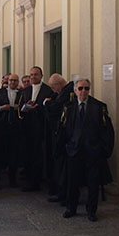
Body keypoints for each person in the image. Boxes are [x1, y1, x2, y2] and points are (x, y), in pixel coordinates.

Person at [59, 78, 114, 222]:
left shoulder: (98, 107)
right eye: (81, 88)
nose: (84, 91)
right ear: (75, 90)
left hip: (92, 151)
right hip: (74, 150)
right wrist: (66, 146)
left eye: (86, 88)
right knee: (72, 181)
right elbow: (63, 129)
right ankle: (71, 207)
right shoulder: (68, 107)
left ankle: (91, 210)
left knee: (93, 182)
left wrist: (102, 149)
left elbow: (106, 131)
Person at [20, 66, 53, 192]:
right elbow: (21, 108)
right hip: (28, 127)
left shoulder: (48, 91)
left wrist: (38, 108)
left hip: (41, 127)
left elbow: (49, 108)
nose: (33, 77)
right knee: (29, 154)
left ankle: (44, 181)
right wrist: (26, 108)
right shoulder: (26, 90)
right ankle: (31, 181)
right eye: (31, 75)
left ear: (41, 75)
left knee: (42, 155)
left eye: (36, 74)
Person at [44, 74, 74, 203]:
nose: (52, 90)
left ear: (58, 85)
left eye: (52, 87)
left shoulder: (67, 93)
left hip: (64, 135)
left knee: (63, 166)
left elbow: (57, 109)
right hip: (61, 134)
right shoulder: (63, 92)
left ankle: (64, 194)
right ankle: (62, 192)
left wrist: (48, 103)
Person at [0, 73, 23, 188]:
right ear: (7, 81)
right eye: (11, 80)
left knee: (13, 155)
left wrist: (18, 108)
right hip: (1, 127)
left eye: (15, 80)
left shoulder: (22, 94)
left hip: (15, 128)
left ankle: (13, 180)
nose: (13, 82)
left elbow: (23, 108)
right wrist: (1, 108)